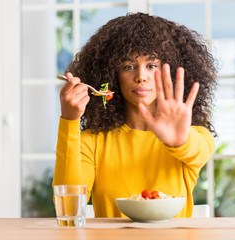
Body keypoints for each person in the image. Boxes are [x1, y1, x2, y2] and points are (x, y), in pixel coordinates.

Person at [52, 12, 217, 218]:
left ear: (171, 72)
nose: (141, 77)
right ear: (112, 76)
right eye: (129, 66)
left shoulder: (195, 137)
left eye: (151, 66)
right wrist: (69, 120)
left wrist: (179, 141)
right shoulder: (92, 142)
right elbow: (68, 206)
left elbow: (196, 150)